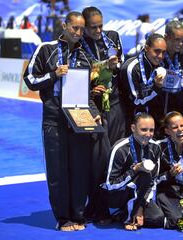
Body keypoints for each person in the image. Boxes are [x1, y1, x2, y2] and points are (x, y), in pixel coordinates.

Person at [23, 11, 100, 231]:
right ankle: (63, 218)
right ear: (64, 26)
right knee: (58, 170)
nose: (78, 32)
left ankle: (78, 215)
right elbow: (30, 79)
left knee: (79, 169)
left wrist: (93, 111)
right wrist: (54, 74)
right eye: (75, 28)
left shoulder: (85, 56)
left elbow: (86, 93)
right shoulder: (46, 49)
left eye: (81, 29)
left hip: (77, 117)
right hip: (54, 118)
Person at [80, 6, 126, 225]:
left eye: (101, 25)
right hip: (93, 107)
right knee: (96, 160)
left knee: (114, 157)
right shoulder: (79, 44)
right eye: (93, 27)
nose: (99, 31)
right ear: (85, 27)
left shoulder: (113, 38)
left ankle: (110, 205)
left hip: (115, 105)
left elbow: (120, 67)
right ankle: (96, 206)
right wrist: (91, 86)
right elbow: (78, 75)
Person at [103, 112, 165, 231]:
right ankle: (127, 214)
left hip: (140, 195)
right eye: (143, 130)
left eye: (151, 130)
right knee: (142, 175)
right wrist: (133, 171)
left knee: (158, 219)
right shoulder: (120, 149)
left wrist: (140, 206)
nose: (148, 134)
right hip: (118, 194)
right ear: (133, 128)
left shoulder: (155, 147)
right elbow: (110, 185)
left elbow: (153, 181)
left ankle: (127, 213)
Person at [120, 33, 166, 137]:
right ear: (146, 48)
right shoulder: (131, 68)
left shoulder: (158, 65)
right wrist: (156, 88)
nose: (160, 56)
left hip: (152, 121)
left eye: (163, 52)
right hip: (130, 121)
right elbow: (136, 101)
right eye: (157, 51)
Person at [159, 20, 183, 125]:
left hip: (181, 108)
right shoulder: (157, 53)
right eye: (177, 40)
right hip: (159, 109)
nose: (181, 44)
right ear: (166, 37)